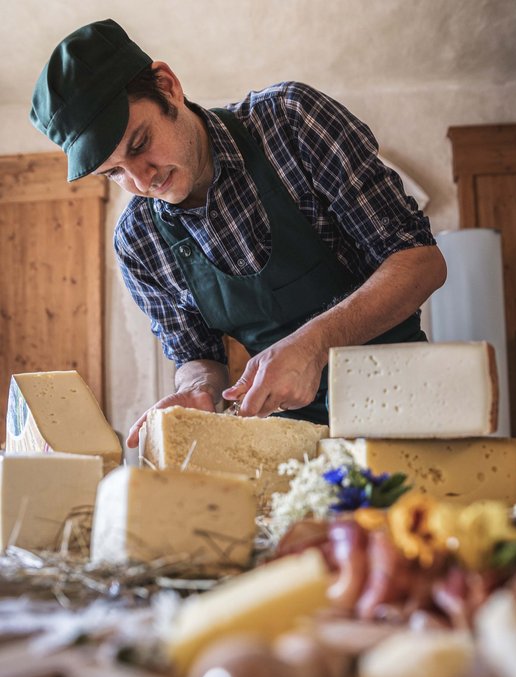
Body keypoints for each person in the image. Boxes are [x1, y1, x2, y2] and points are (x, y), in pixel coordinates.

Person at [30, 19, 446, 447]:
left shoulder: (291, 122)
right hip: (294, 443)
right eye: (114, 172)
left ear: (168, 85)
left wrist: (315, 344)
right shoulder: (139, 242)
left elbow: (421, 263)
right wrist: (197, 390)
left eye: (138, 144)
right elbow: (198, 357)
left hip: (406, 410)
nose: (141, 180)